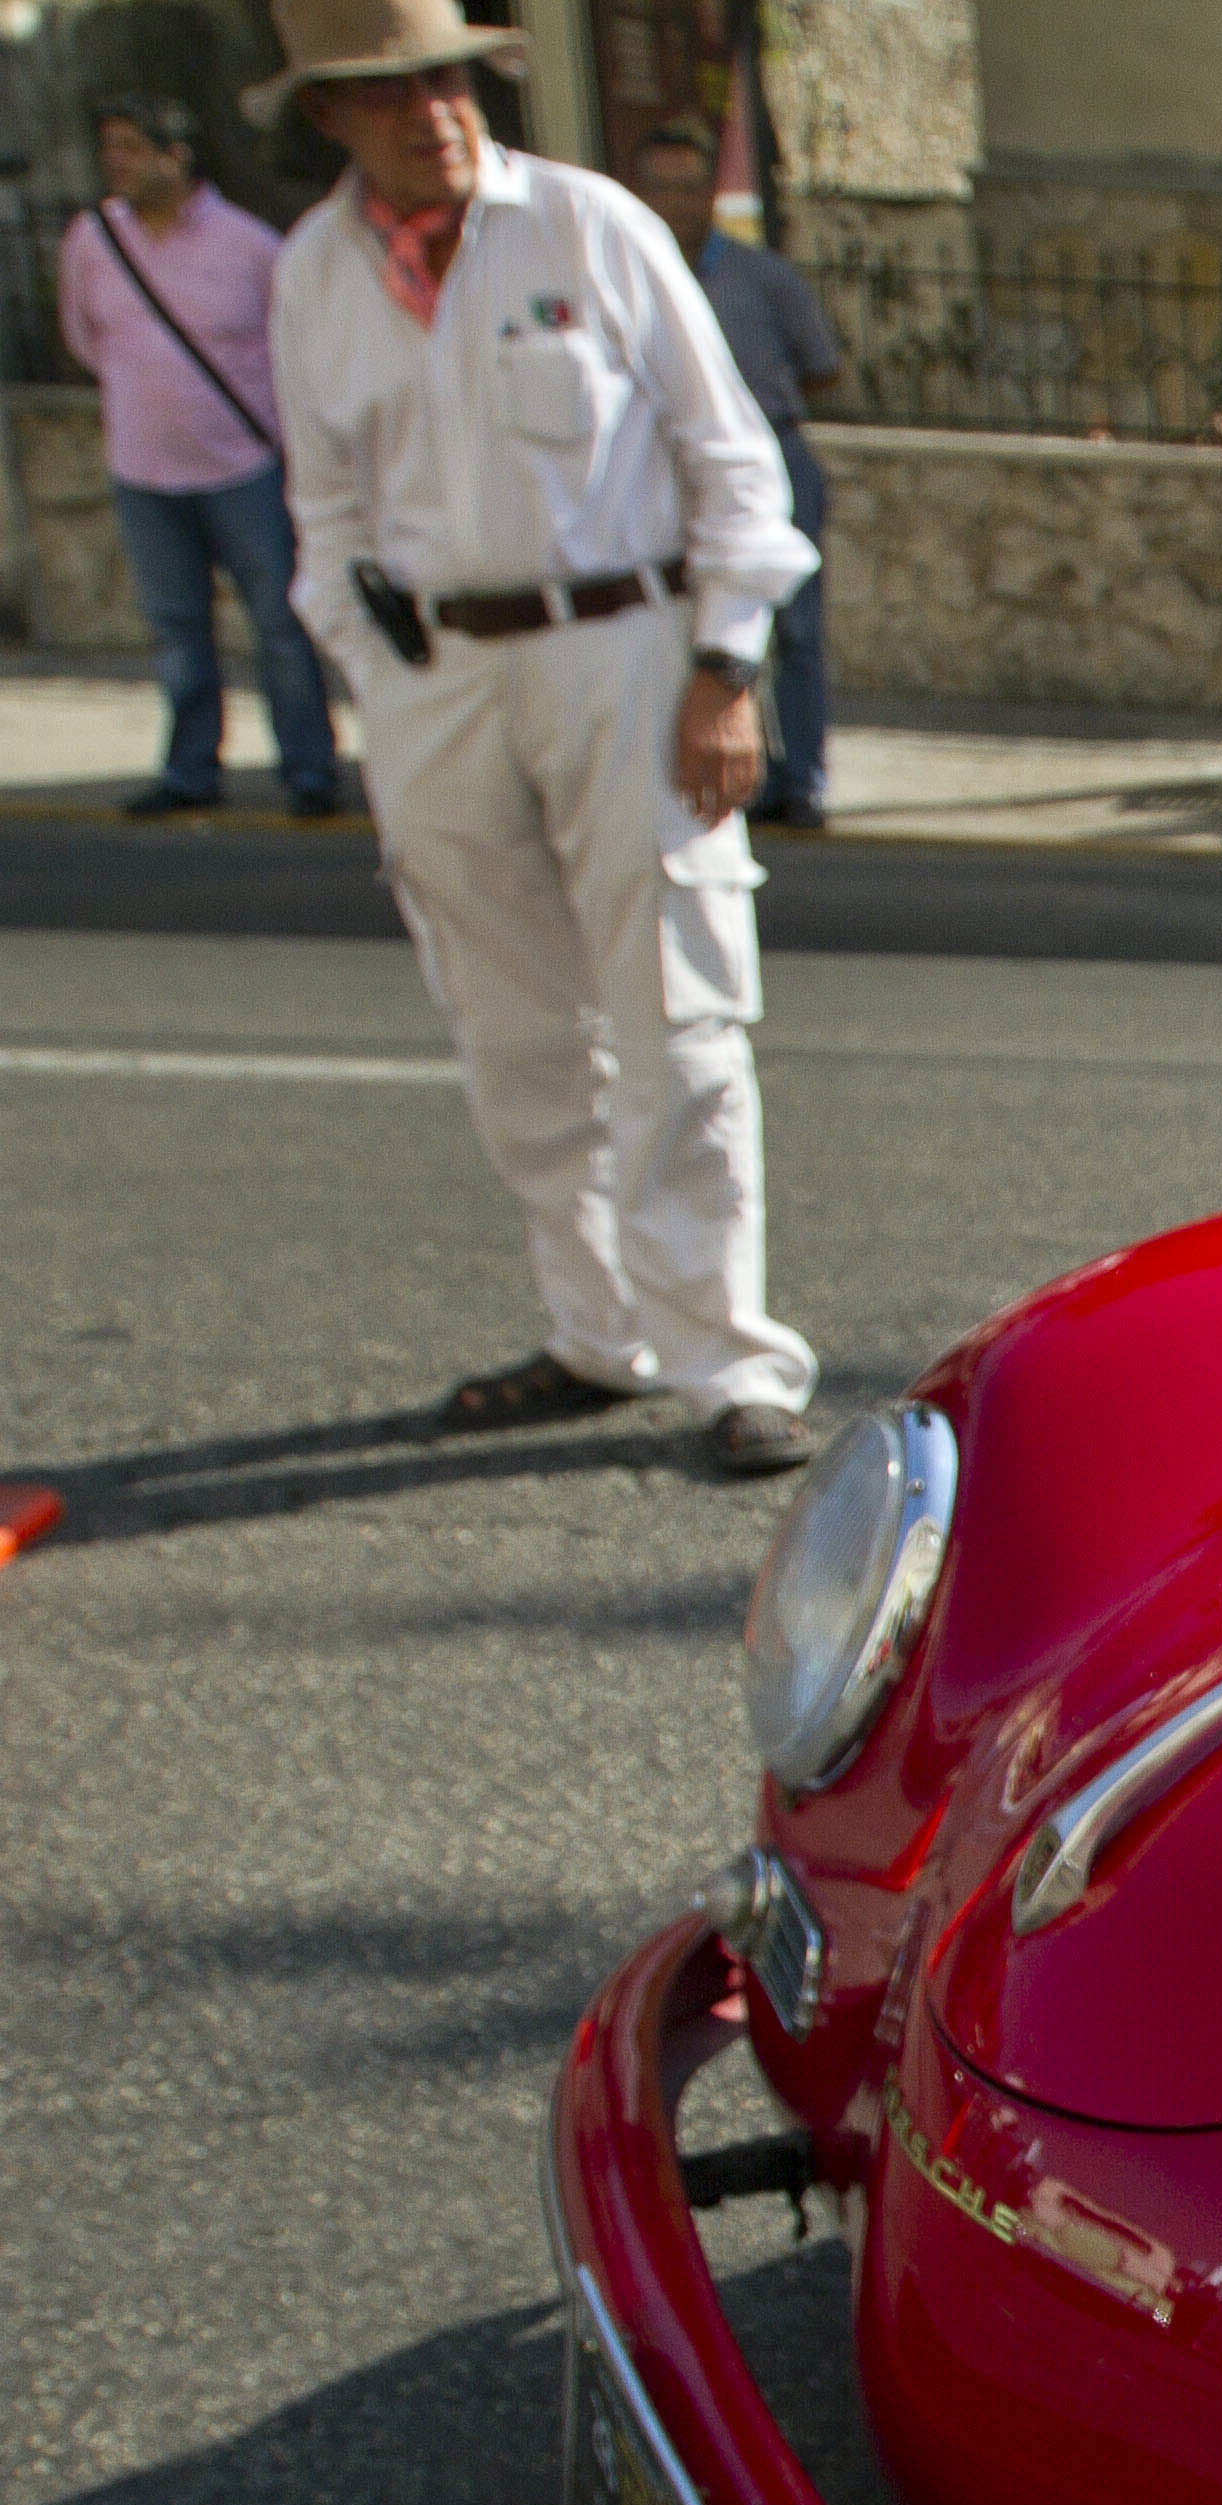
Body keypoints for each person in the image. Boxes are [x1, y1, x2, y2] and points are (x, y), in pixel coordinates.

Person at [259, 0, 823, 1478]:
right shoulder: (315, 275)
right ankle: (596, 1332)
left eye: (446, 78)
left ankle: (725, 1357)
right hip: (434, 675)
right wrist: (369, 674)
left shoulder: (586, 225)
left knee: (676, 1010)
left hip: (623, 652)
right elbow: (320, 511)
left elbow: (731, 461)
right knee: (510, 1026)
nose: (431, 112)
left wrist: (724, 666)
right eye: (390, 93)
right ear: (332, 117)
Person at [55, 93, 343, 821]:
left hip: (242, 469)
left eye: (130, 147)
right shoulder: (93, 240)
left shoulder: (248, 245)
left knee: (279, 624)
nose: (113, 164)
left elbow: (299, 353)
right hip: (143, 472)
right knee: (177, 629)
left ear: (174, 154)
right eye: (109, 148)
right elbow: (87, 339)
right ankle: (190, 770)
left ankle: (309, 771)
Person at [624, 117, 846, 829]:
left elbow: (824, 368)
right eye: (660, 187)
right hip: (658, 467)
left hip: (771, 460)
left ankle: (803, 778)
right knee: (677, 623)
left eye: (690, 188)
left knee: (797, 630)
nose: (675, 203)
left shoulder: (763, 277)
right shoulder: (621, 277)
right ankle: (700, 770)